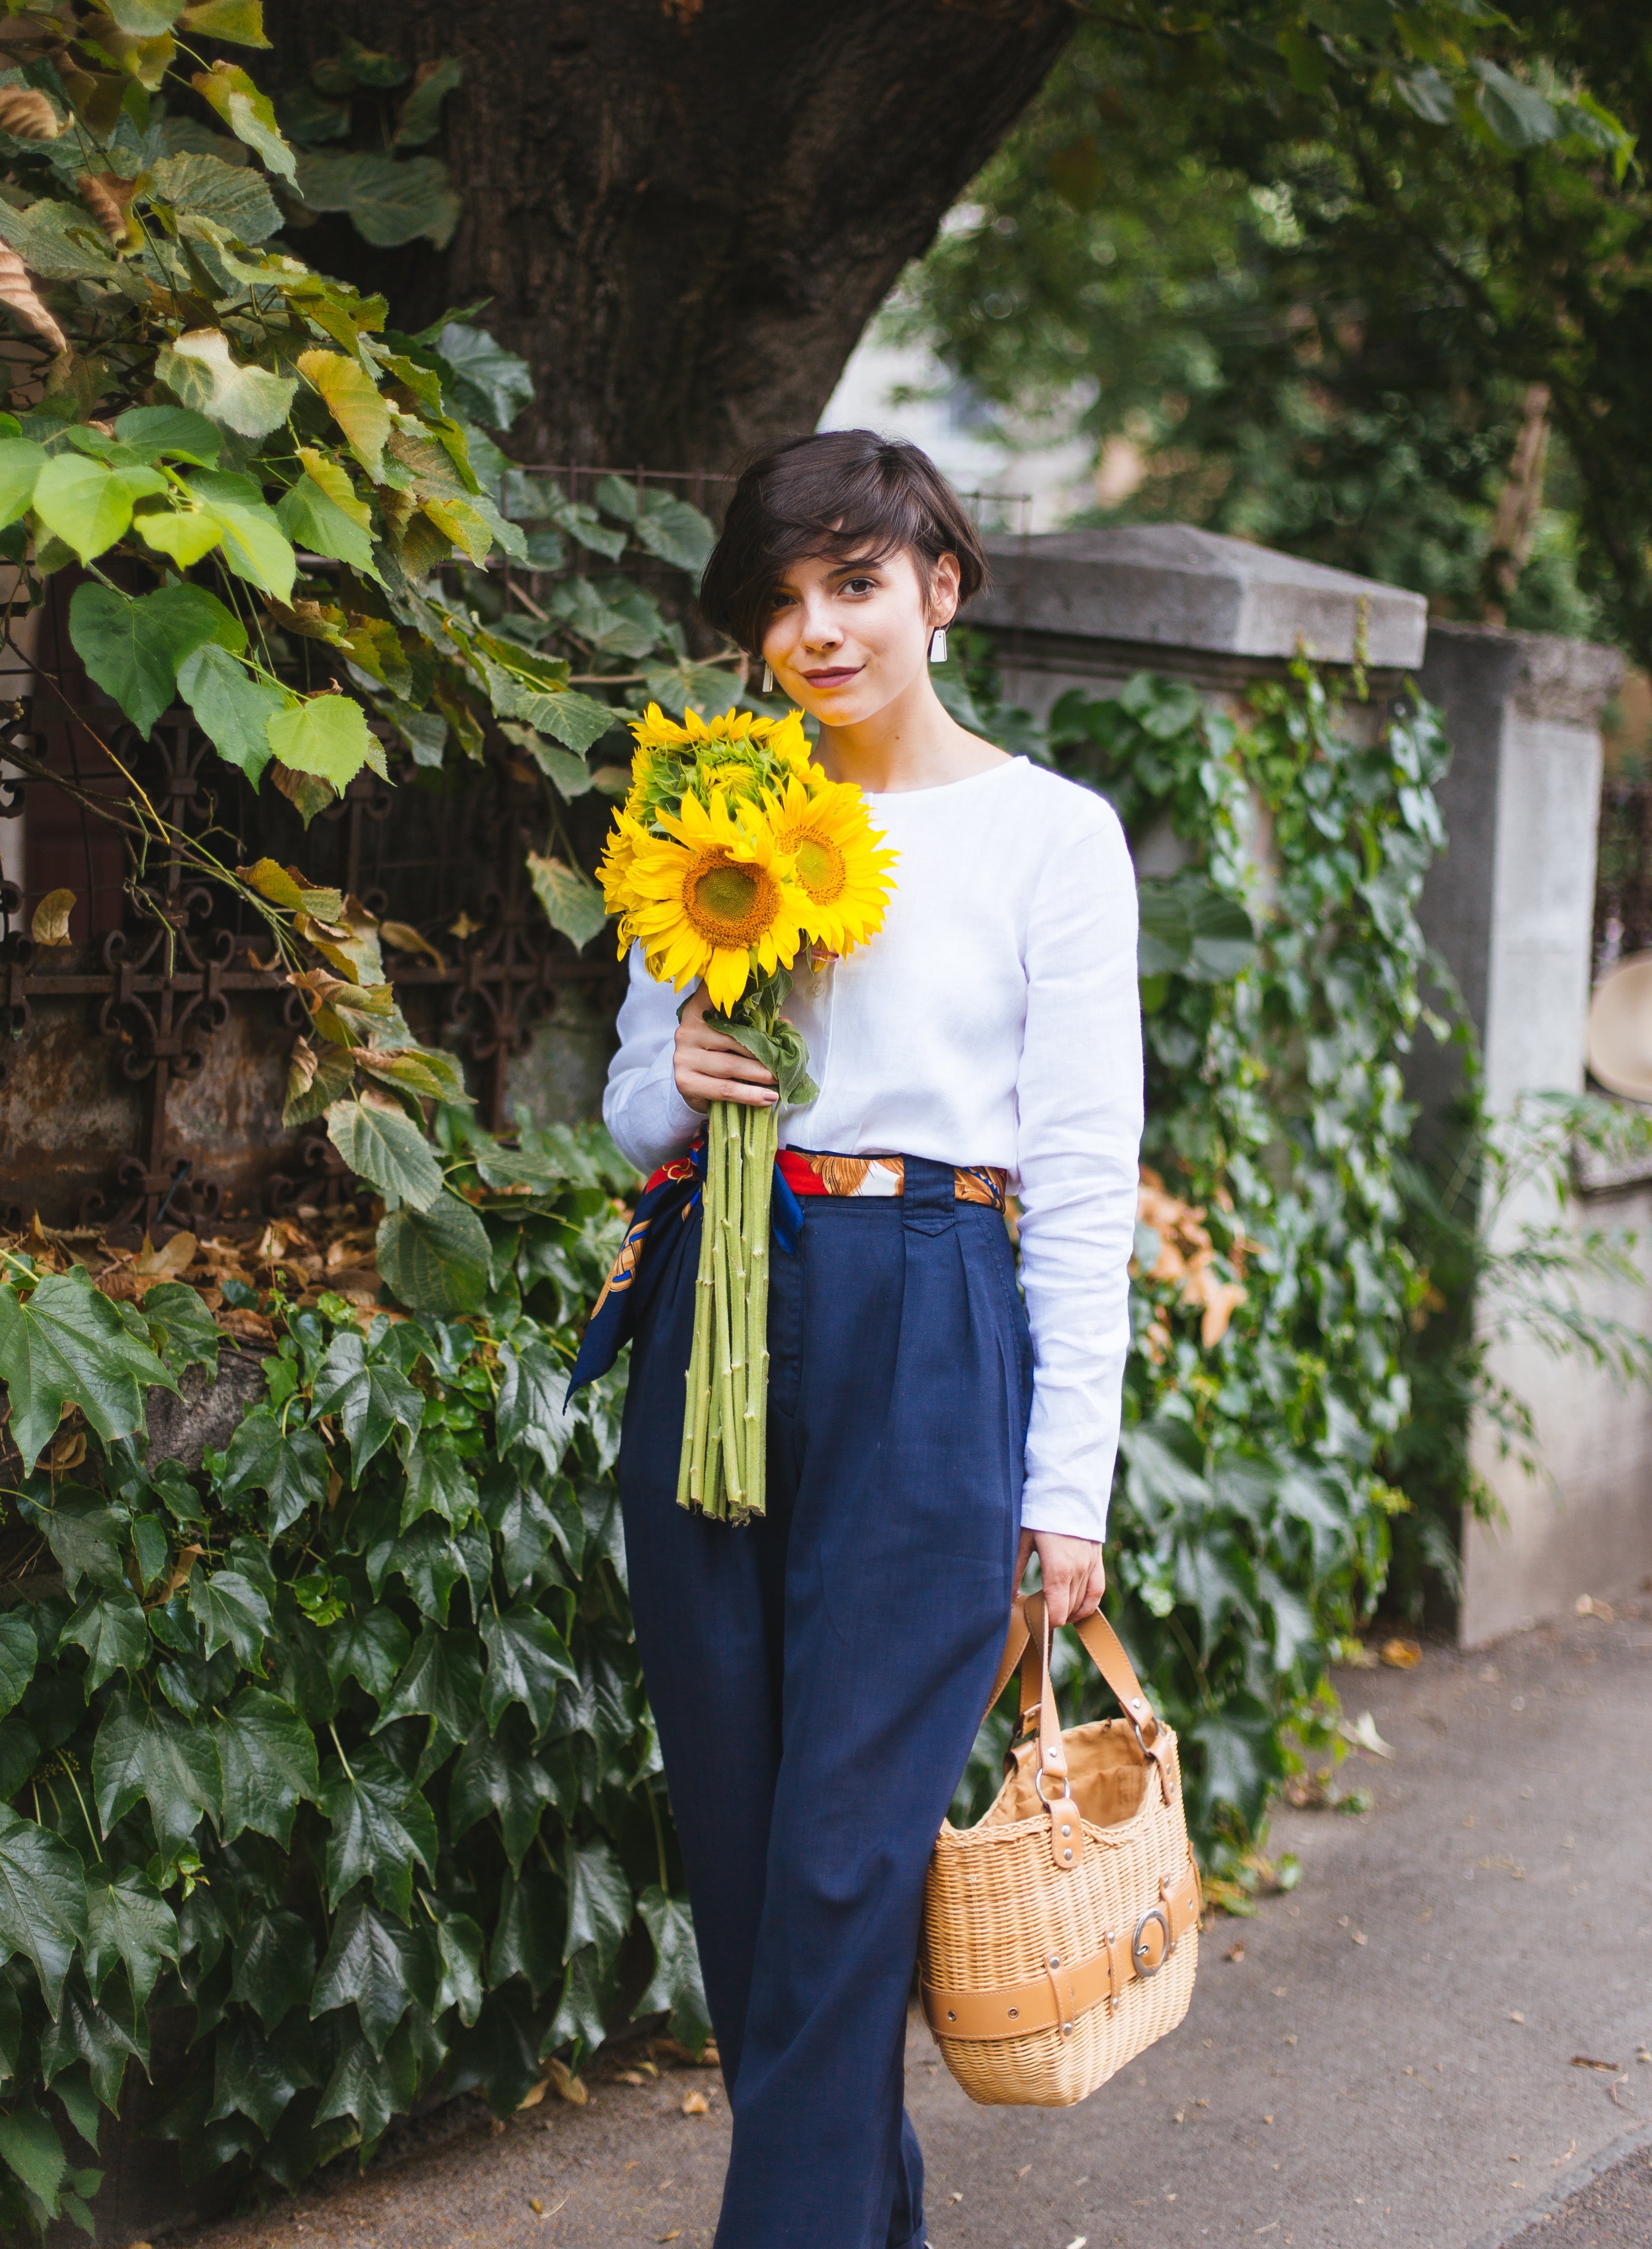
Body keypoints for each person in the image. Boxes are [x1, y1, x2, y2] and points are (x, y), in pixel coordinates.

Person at [600, 429, 1143, 2249]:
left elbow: (1078, 1180)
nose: (815, 629)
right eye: (780, 600)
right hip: (718, 1320)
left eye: (852, 582)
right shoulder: (715, 806)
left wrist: (1068, 1491)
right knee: (753, 1873)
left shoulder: (1051, 839)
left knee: (844, 1866)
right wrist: (670, 1072)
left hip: (931, 1316)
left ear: (941, 586)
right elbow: (625, 1105)